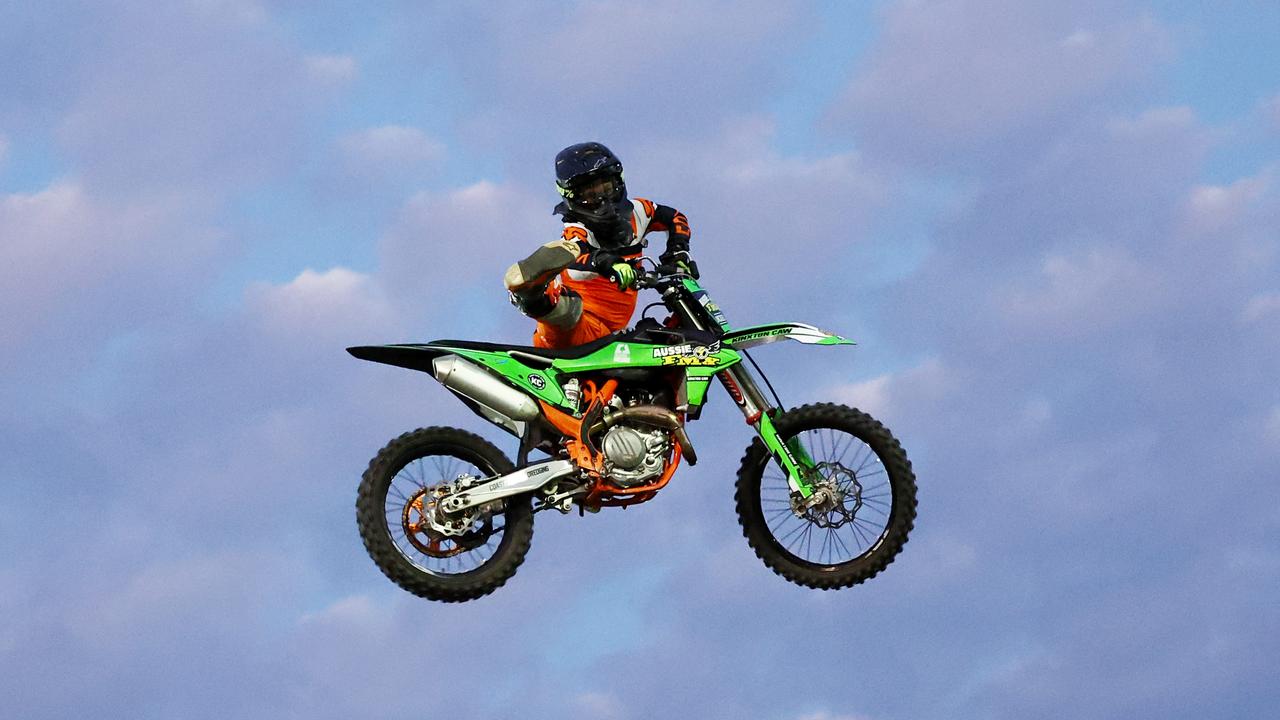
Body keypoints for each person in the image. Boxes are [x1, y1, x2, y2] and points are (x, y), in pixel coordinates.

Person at [504, 142, 695, 349]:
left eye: (606, 188)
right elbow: (577, 255)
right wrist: (607, 263)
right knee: (568, 308)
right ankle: (529, 294)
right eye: (590, 195)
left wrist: (678, 252)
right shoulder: (576, 230)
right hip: (577, 327)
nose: (603, 200)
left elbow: (675, 217)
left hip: (611, 335)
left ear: (618, 182)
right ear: (571, 197)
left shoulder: (640, 211)